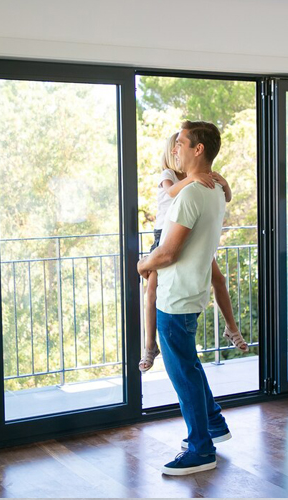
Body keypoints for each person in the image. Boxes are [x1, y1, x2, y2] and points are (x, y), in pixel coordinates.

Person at [137, 121, 232, 475]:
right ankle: (214, 424)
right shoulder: (215, 191)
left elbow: (168, 253)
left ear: (198, 149)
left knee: (183, 374)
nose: (175, 148)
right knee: (189, 365)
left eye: (181, 143)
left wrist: (142, 264)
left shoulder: (191, 194)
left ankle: (200, 449)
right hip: (192, 291)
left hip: (175, 297)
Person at [139, 133, 248, 373]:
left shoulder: (200, 179)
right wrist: (193, 178)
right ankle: (149, 345)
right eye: (175, 147)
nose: (177, 151)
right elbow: (171, 193)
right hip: (164, 237)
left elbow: (227, 198)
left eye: (180, 146)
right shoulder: (169, 176)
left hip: (190, 237)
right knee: (152, 290)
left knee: (219, 280)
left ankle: (231, 327)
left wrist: (224, 184)